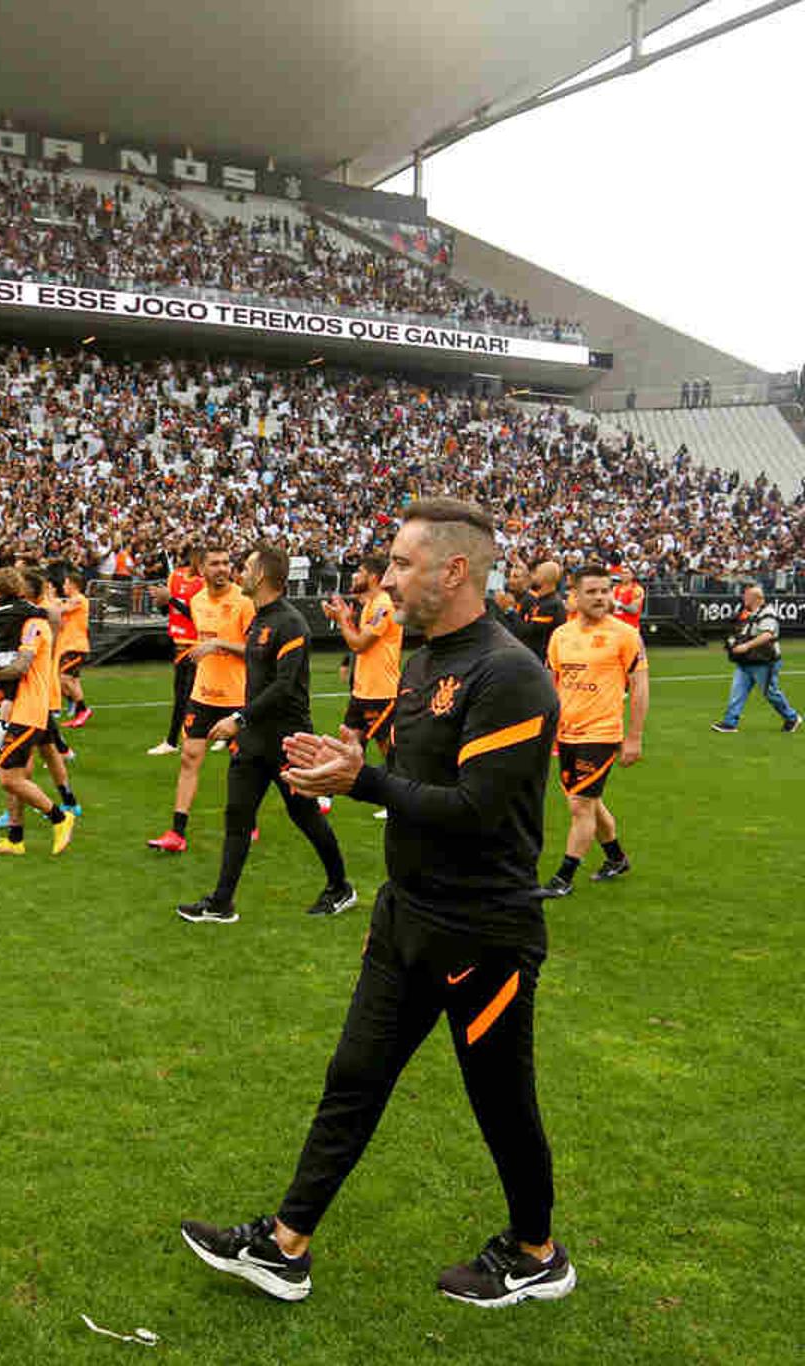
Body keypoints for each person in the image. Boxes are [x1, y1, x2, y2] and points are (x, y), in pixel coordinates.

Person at [182, 497, 571, 1309]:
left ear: (453, 570)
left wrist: (362, 780)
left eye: (400, 563)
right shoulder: (425, 658)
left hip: (482, 931)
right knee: (352, 1078)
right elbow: (418, 781)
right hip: (407, 915)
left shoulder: (510, 674)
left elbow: (474, 809)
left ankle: (536, 1251)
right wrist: (357, 754)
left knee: (501, 1100)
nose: (386, 576)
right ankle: (287, 1245)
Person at [176, 543, 355, 924]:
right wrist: (245, 725)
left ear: (263, 576)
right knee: (237, 817)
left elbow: (285, 687)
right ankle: (222, 903)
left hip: (288, 740)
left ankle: (341, 886)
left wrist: (238, 718)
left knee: (305, 816)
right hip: (254, 742)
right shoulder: (258, 619)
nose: (240, 570)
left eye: (247, 566)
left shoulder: (291, 623)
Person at [539, 566, 648, 897]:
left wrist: (634, 737)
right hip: (566, 733)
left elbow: (640, 686)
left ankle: (563, 878)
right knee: (589, 800)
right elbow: (550, 681)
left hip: (601, 733)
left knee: (580, 806)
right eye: (593, 592)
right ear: (575, 595)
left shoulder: (625, 635)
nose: (602, 597)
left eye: (605, 591)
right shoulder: (561, 635)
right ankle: (616, 857)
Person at [149, 546, 253, 852]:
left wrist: (219, 644)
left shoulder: (245, 601)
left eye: (226, 563)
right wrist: (196, 650)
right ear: (202, 569)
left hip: (237, 697)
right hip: (203, 695)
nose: (221, 568)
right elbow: (203, 641)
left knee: (244, 764)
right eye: (214, 564)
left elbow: (256, 651)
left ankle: (248, 821)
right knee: (189, 758)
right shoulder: (196, 601)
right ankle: (177, 833)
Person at [0, 567, 77, 857]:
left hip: (29, 707)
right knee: (18, 774)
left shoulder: (35, 623)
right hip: (23, 706)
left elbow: (22, 665)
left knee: (9, 777)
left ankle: (60, 817)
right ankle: (15, 839)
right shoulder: (28, 619)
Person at [323, 552, 403, 818]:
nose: (355, 575)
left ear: (374, 577)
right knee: (348, 742)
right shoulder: (370, 605)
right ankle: (327, 795)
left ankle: (398, 802)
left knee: (388, 751)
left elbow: (359, 643)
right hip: (363, 691)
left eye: (360, 571)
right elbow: (357, 643)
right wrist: (344, 618)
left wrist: (342, 621)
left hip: (381, 692)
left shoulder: (384, 606)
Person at [713, 583, 800, 733]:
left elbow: (767, 635)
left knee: (771, 693)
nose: (744, 598)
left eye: (747, 596)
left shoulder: (768, 612)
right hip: (746, 660)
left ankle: (791, 717)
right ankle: (729, 723)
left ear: (756, 598)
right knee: (737, 691)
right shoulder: (746, 612)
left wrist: (746, 646)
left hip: (764, 661)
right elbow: (737, 629)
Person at [147, 547, 203, 755]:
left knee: (187, 695)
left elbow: (197, 616)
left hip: (196, 644)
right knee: (182, 694)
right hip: (178, 642)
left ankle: (173, 741)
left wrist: (170, 599)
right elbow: (166, 610)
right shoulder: (175, 576)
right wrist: (160, 600)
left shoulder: (203, 584)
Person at [57, 568, 93, 726]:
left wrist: (50, 601)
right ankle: (80, 715)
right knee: (73, 680)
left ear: (73, 585)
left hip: (76, 646)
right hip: (68, 645)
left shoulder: (79, 599)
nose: (63, 587)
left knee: (64, 677)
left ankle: (83, 709)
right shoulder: (72, 600)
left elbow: (61, 610)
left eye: (65, 584)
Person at [610, 565, 644, 631]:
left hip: (630, 627)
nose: (623, 575)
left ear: (632, 575)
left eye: (626, 573)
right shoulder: (615, 588)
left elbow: (634, 610)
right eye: (622, 573)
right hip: (616, 628)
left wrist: (620, 605)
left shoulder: (637, 589)